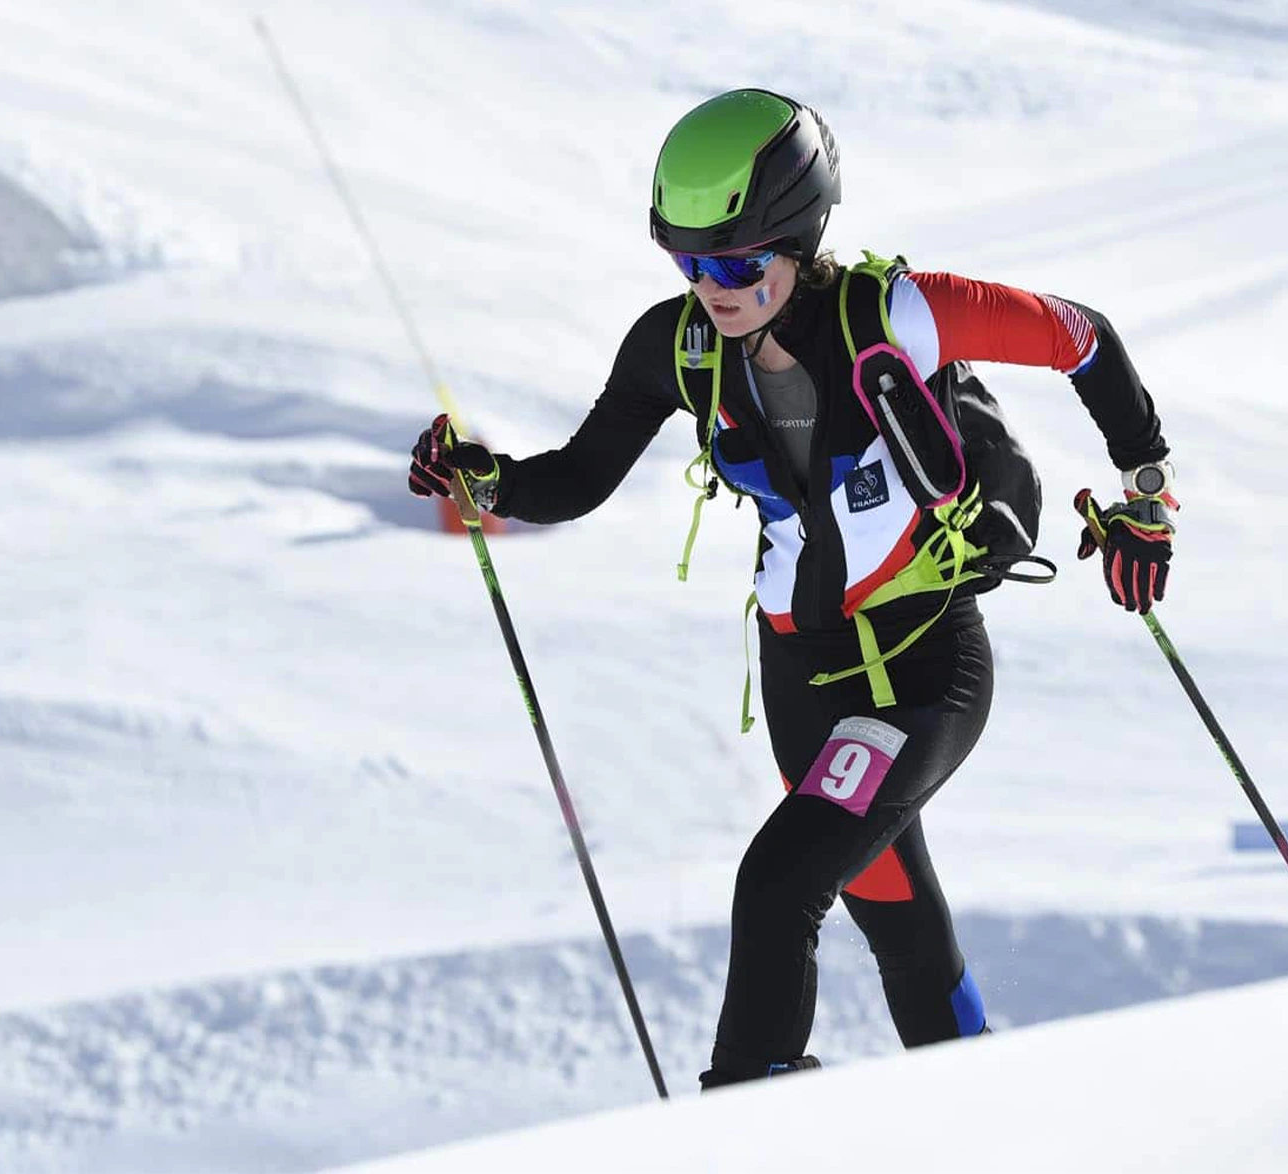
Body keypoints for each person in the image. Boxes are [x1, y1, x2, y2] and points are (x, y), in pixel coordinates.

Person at [407, 88, 1178, 1089]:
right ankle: (981, 1111)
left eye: (734, 262)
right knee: (897, 923)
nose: (711, 287)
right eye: (686, 261)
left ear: (798, 233)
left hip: (919, 669)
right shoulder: (677, 346)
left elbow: (1080, 337)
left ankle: (745, 1118)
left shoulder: (897, 315)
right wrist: (488, 479)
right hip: (800, 685)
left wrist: (1145, 497)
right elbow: (580, 477)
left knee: (775, 889)